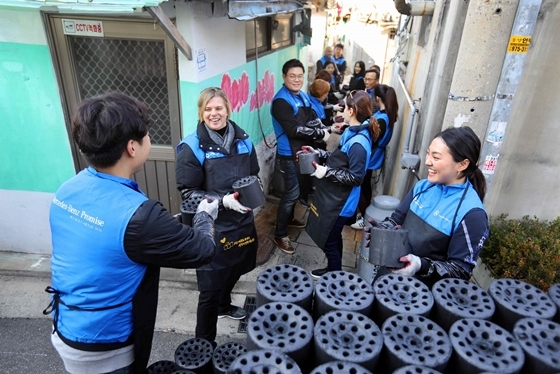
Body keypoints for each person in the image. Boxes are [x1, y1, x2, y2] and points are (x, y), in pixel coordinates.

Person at [44, 92, 217, 374]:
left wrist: (168, 223)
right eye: (147, 134)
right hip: (105, 348)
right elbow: (202, 249)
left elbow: (117, 236)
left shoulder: (67, 190)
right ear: (133, 147)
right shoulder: (139, 216)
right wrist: (204, 216)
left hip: (66, 327)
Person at [175, 87, 260, 347]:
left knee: (238, 267)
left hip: (241, 223)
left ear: (227, 109)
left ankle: (225, 304)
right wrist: (222, 202)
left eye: (218, 108)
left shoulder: (244, 141)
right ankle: (204, 346)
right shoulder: (191, 147)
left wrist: (255, 191)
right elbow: (188, 193)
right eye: (208, 109)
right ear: (201, 113)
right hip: (210, 228)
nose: (214, 113)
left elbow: (253, 174)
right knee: (209, 290)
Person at [371, 126, 490, 287]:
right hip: (389, 278)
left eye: (436, 157)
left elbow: (460, 271)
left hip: (422, 298)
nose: (427, 161)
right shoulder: (422, 187)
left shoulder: (472, 214)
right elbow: (396, 220)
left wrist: (420, 265)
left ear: (462, 164)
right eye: (428, 153)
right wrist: (382, 231)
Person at [303, 91, 379, 279]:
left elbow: (356, 177)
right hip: (335, 198)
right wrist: (319, 153)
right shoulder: (351, 132)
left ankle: (335, 280)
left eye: (344, 106)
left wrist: (326, 172)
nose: (342, 108)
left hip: (342, 203)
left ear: (351, 111)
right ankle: (331, 270)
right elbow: (340, 160)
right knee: (334, 237)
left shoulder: (359, 143)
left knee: (329, 241)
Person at [272, 59, 330, 254]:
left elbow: (312, 118)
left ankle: (289, 220)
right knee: (291, 194)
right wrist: (320, 134)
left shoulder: (303, 96)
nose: (296, 80)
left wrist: (325, 127)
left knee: (300, 190)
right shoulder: (281, 101)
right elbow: (293, 130)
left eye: (299, 76)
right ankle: (280, 234)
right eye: (292, 76)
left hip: (304, 151)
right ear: (284, 77)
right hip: (289, 154)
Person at [350, 84, 399, 229]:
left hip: (370, 156)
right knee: (365, 185)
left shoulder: (382, 119)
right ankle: (363, 213)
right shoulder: (386, 114)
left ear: (377, 98)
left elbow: (373, 140)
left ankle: (364, 217)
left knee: (360, 186)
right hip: (373, 156)